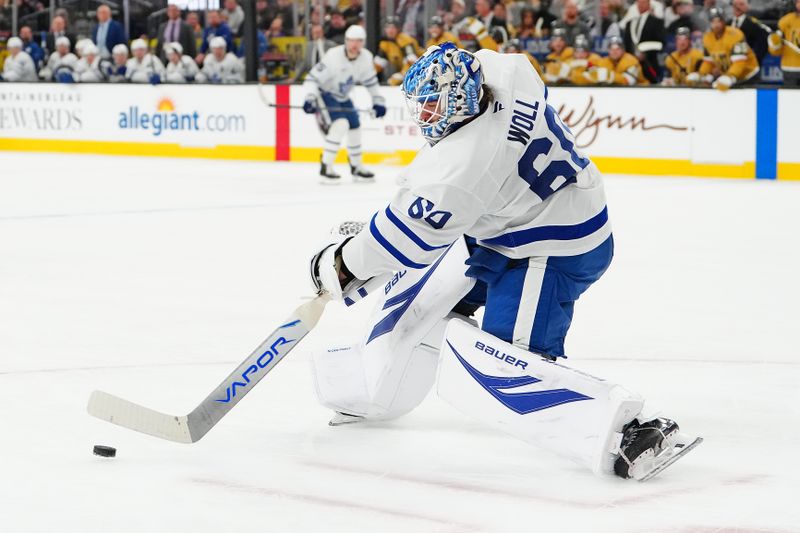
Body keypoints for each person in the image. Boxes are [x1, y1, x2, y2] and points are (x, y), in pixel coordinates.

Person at [307, 42, 701, 482]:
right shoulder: (506, 72)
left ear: (460, 100)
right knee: (418, 296)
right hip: (511, 221)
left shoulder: (466, 165)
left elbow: (413, 232)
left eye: (435, 104)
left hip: (552, 245)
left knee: (497, 371)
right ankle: (364, 391)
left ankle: (627, 434)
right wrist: (382, 244)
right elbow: (422, 222)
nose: (425, 116)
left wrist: (346, 260)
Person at [302, 25, 386, 182]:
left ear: (363, 42)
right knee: (340, 125)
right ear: (346, 41)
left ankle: (356, 167)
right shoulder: (333, 56)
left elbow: (371, 82)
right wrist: (310, 98)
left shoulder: (366, 57)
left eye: (359, 41)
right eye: (351, 41)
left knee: (355, 125)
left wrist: (378, 101)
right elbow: (312, 79)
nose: (354, 45)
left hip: (342, 95)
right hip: (324, 93)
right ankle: (326, 166)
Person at [697, 8, 759, 90]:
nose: (716, 25)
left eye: (719, 21)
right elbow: (708, 61)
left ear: (724, 21)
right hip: (728, 75)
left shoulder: (736, 35)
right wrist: (701, 75)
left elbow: (740, 62)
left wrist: (730, 76)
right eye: (713, 21)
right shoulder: (707, 38)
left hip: (748, 75)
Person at [623, 0, 665, 82]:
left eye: (643, 2)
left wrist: (645, 53)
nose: (640, 5)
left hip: (649, 64)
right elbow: (626, 44)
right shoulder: (629, 23)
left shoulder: (656, 22)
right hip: (631, 64)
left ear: (649, 4)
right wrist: (631, 58)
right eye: (639, 2)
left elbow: (661, 43)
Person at [376, 16, 424, 86]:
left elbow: (412, 63)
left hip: (421, 73)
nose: (390, 30)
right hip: (407, 73)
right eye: (388, 27)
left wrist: (401, 76)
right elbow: (378, 65)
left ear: (398, 29)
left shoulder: (405, 40)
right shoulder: (385, 43)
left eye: (392, 28)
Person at [768, 0, 800, 86]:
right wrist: (775, 41)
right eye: (798, 2)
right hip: (791, 69)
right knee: (790, 98)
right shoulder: (785, 21)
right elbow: (775, 51)